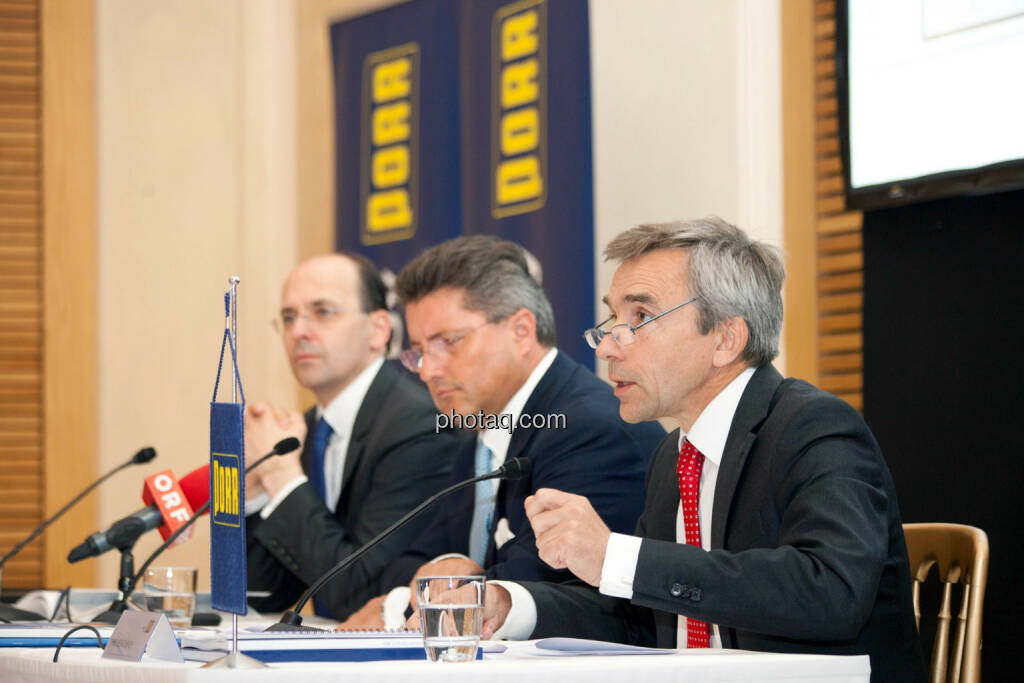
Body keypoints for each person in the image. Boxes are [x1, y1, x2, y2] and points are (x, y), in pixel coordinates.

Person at [452, 218, 926, 681]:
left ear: (725, 338)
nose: (607, 347)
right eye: (611, 319)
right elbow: (640, 619)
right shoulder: (673, 456)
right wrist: (510, 604)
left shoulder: (813, 428)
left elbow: (832, 591)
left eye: (639, 317)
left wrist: (617, 557)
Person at [339, 235, 664, 629]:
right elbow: (407, 562)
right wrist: (446, 565)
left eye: (449, 342)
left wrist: (395, 607)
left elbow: (532, 584)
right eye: (420, 351)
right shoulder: (480, 440)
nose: (428, 371)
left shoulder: (591, 431)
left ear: (522, 331)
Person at [244, 253, 465, 620]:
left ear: (379, 330)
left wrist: (282, 478)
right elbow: (262, 596)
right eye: (288, 317)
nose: (299, 331)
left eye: (323, 312)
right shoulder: (304, 431)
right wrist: (254, 492)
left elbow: (363, 595)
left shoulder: (418, 427)